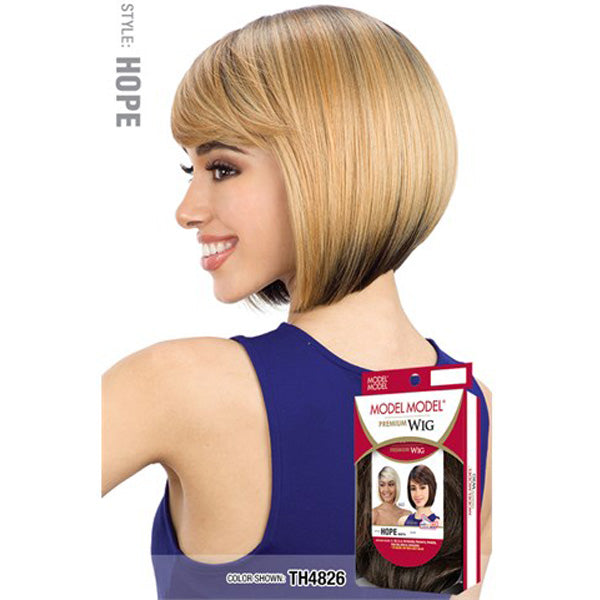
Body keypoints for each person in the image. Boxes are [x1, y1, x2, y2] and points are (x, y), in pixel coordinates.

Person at [101, 5, 492, 598]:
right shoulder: (467, 404)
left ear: (325, 166)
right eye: (191, 169)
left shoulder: (178, 384)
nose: (187, 210)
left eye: (222, 168)